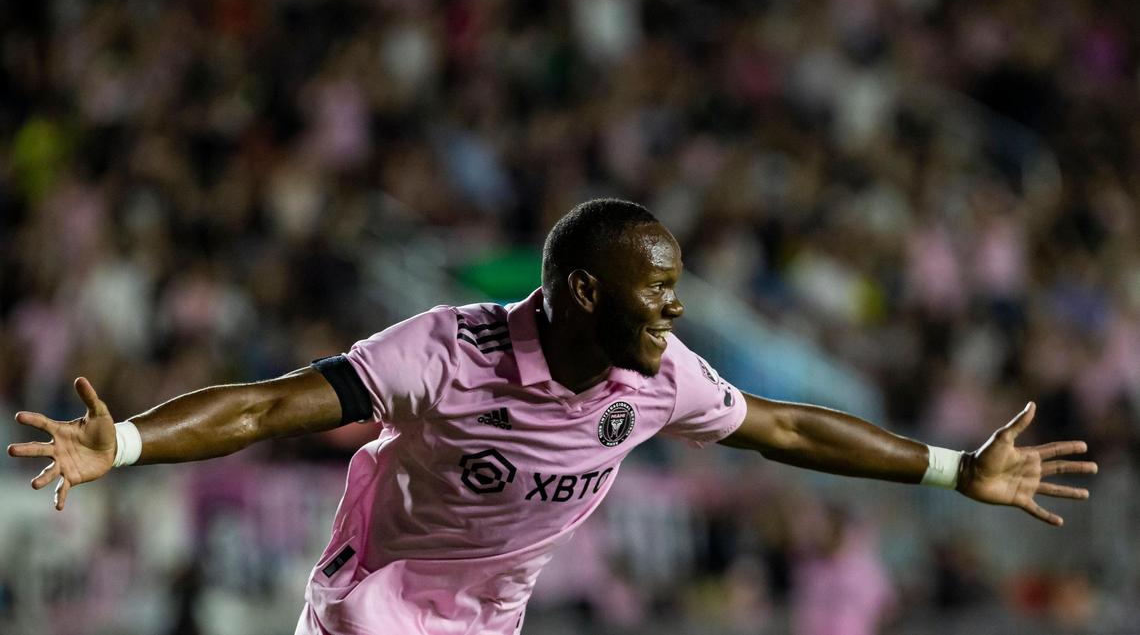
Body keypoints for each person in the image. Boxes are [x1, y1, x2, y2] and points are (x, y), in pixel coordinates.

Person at [8, 199, 1097, 635]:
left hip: (491, 619)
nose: (674, 308)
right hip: (374, 606)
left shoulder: (657, 375)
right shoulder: (447, 349)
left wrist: (960, 470)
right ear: (583, 291)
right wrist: (134, 440)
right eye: (657, 288)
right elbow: (272, 404)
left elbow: (788, 429)